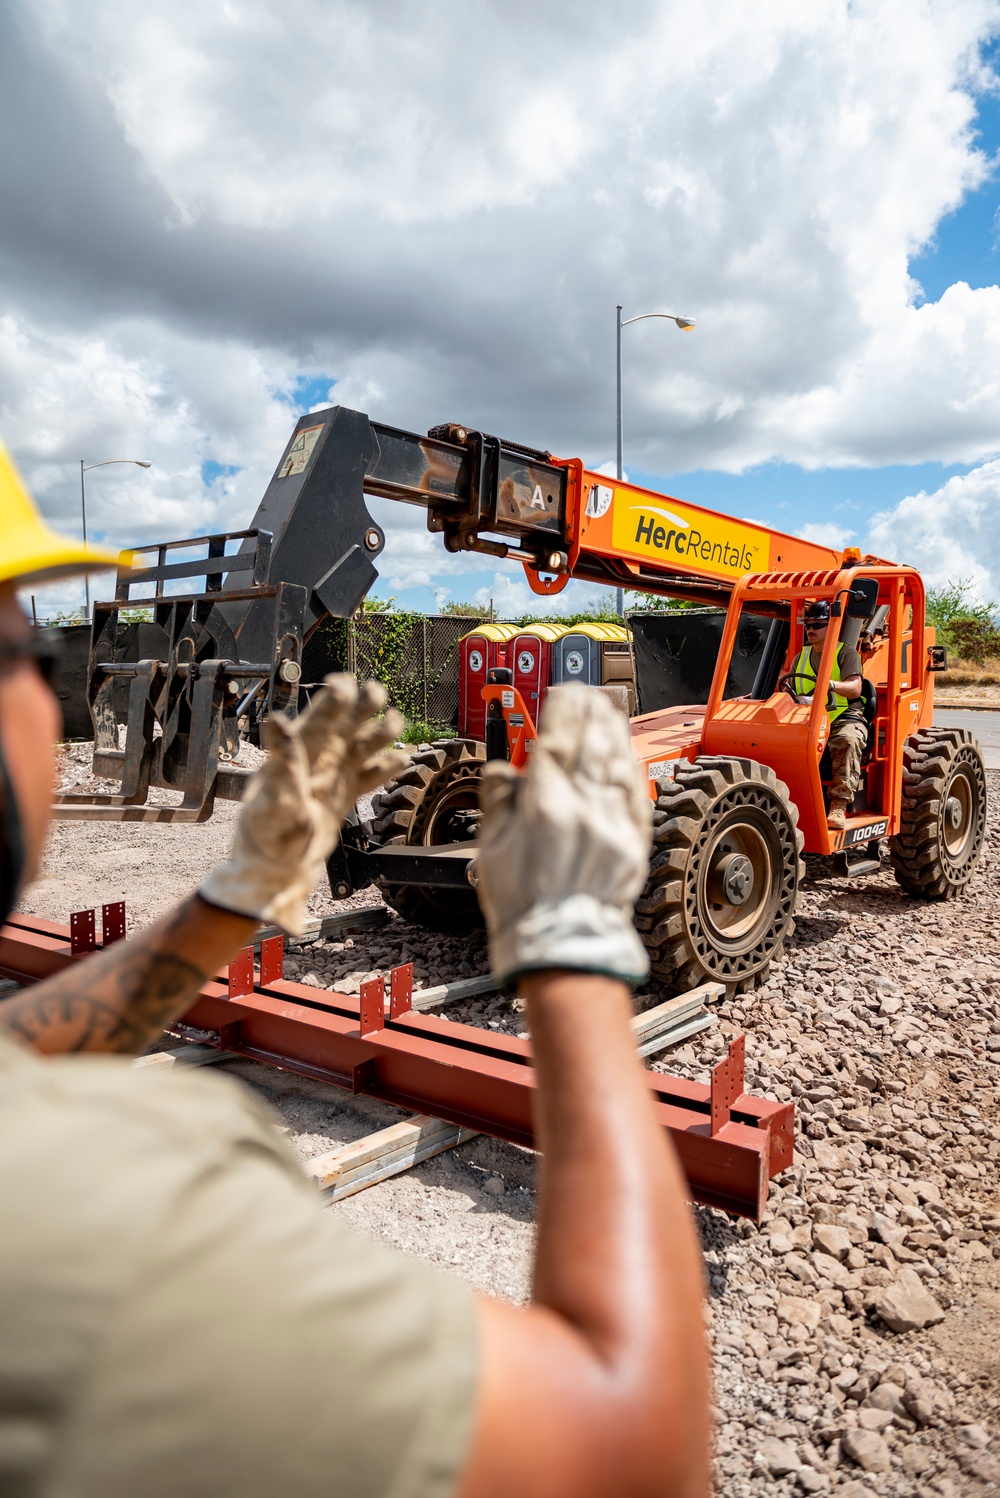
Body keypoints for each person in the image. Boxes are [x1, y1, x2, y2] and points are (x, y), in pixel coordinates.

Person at [0, 438, 710, 1498]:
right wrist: (568, 945)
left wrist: (229, 902)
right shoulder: (102, 1221)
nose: (43, 689)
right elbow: (631, 1453)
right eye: (22, 650)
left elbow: (22, 1052)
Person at [794, 599, 868, 831]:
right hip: (808, 715)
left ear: (832, 626)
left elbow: (855, 688)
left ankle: (838, 804)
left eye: (817, 624)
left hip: (843, 715)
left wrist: (830, 685)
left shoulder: (846, 653)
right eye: (808, 624)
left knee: (847, 740)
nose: (810, 629)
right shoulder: (801, 656)